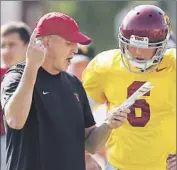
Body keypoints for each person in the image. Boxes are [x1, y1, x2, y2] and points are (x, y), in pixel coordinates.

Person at [1, 12, 129, 170]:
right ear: (46, 42)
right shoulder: (16, 76)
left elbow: (90, 145)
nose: (75, 49)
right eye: (69, 43)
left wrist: (108, 124)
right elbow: (15, 120)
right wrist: (32, 66)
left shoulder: (73, 83)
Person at [82, 5, 176, 170]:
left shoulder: (173, 64)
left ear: (162, 45)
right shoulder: (105, 66)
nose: (137, 52)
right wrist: (86, 156)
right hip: (118, 165)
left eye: (145, 47)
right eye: (131, 45)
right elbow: (76, 117)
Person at [0, 21, 31, 170]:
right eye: (3, 46)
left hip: (32, 148)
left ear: (27, 46)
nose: (6, 51)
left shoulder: (41, 76)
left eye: (12, 45)